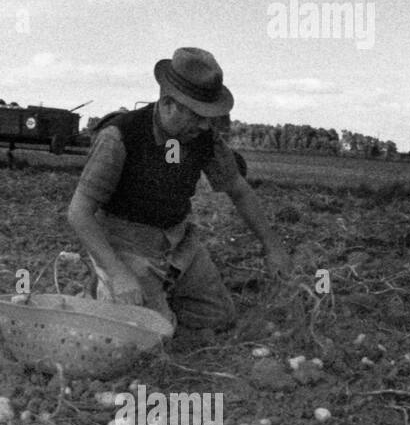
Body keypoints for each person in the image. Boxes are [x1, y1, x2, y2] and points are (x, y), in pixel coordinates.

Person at [66, 48, 290, 341]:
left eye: (209, 117)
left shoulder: (203, 138)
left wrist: (272, 247)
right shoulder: (119, 136)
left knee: (220, 318)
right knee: (151, 338)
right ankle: (104, 288)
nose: (204, 125)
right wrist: (118, 273)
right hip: (126, 246)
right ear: (169, 103)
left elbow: (238, 189)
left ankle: (158, 298)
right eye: (198, 116)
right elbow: (79, 212)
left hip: (178, 246)